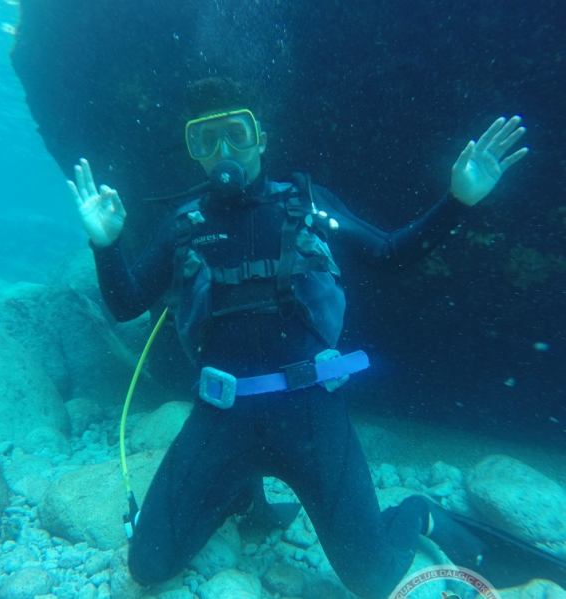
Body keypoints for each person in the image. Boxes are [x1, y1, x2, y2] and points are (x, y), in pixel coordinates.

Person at [68, 77, 528, 598]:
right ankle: (239, 494)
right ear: (193, 150)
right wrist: (105, 244)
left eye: (237, 133)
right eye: (206, 139)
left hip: (310, 415)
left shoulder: (307, 203)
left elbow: (390, 254)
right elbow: (127, 304)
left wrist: (458, 201)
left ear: (261, 138)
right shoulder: (184, 226)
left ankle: (418, 511)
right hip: (222, 418)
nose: (224, 151)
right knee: (149, 564)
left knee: (373, 578)